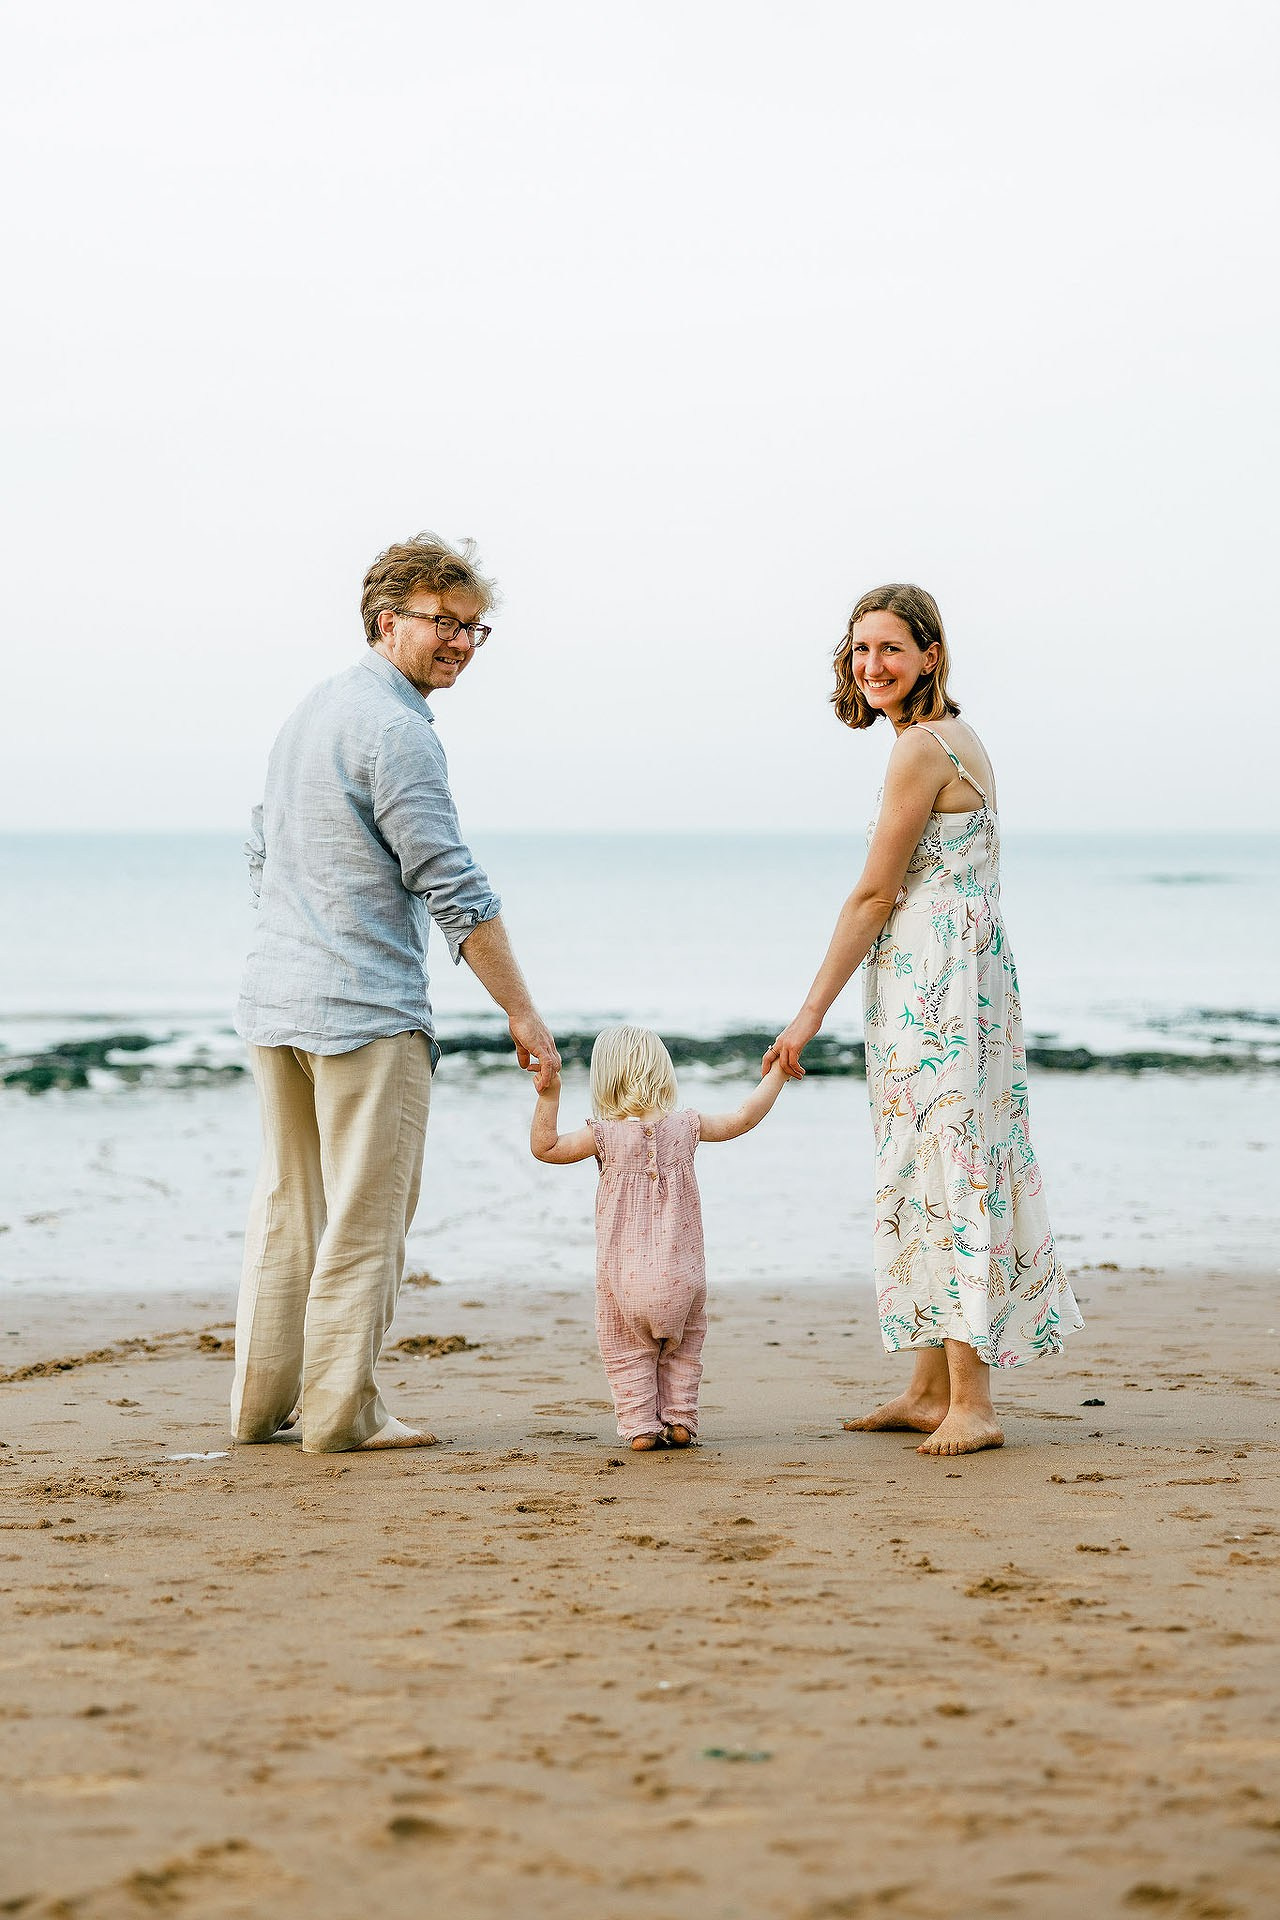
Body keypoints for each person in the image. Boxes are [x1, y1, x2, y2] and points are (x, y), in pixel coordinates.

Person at [232, 531, 560, 1454]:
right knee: (364, 1220)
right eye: (444, 623)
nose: (460, 641)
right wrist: (521, 1012)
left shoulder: (314, 708)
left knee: (289, 1209)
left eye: (473, 627)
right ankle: (340, 1415)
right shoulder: (396, 729)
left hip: (275, 998)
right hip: (365, 1013)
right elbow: (452, 882)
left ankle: (260, 1410)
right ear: (388, 620)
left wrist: (296, 928)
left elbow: (260, 843)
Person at [764, 584, 1082, 1457]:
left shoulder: (919, 750)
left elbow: (874, 893)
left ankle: (972, 1403)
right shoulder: (953, 738)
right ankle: (926, 1388)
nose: (872, 666)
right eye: (861, 649)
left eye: (891, 649)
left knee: (950, 1168)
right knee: (933, 1158)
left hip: (935, 983)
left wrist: (806, 1016)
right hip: (960, 974)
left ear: (929, 655)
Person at [531, 1025, 787, 1450]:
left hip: (625, 1283)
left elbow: (546, 1148)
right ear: (663, 1073)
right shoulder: (688, 1126)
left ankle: (640, 1426)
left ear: (604, 1079)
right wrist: (777, 1072)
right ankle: (680, 1419)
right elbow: (743, 1118)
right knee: (683, 1350)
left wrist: (549, 1094)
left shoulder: (603, 1136)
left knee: (626, 1349)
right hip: (684, 1279)